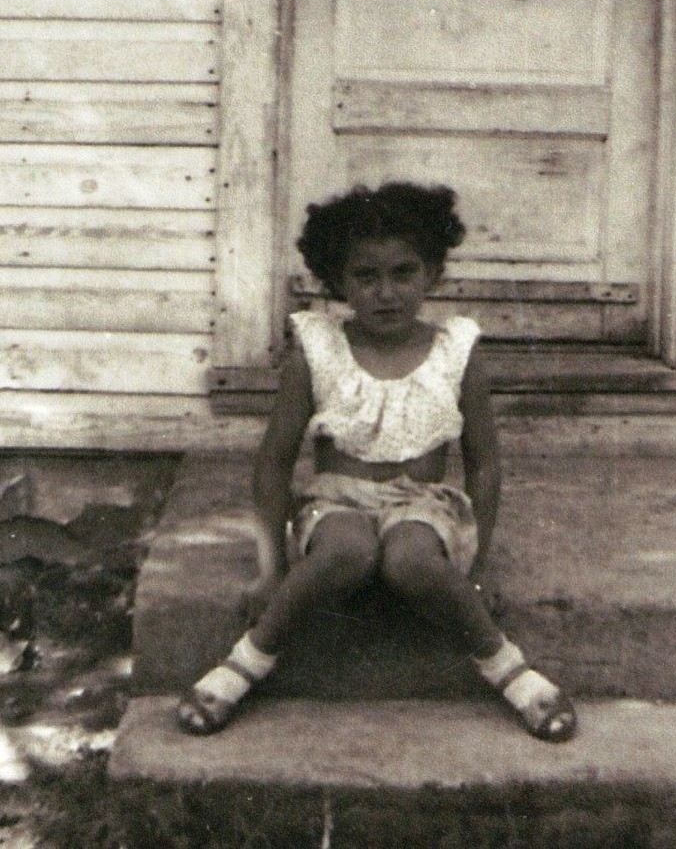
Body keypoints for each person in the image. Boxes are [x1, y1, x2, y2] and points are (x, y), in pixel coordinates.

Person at [176, 182, 577, 742]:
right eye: (365, 277)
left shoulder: (456, 352)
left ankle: (509, 670)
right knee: (348, 548)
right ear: (337, 281)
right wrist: (270, 570)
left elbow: (483, 463)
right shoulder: (318, 349)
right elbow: (273, 462)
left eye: (403, 273)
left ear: (432, 273)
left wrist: (476, 565)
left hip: (422, 504)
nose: (386, 293)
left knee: (409, 558)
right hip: (336, 501)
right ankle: (246, 663)